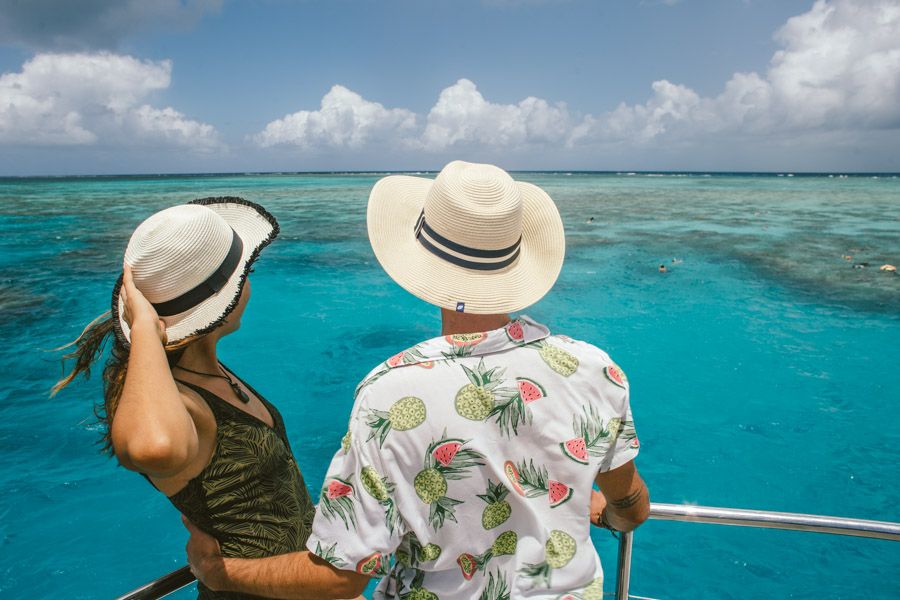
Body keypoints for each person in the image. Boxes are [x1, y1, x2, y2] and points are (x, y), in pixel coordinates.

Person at [184, 162, 650, 598]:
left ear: (425, 257)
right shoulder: (594, 369)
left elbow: (342, 577)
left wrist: (221, 572)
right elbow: (631, 505)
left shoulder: (389, 393)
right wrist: (597, 508)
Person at [54, 198, 325, 600]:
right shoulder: (181, 400)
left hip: (300, 583)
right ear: (222, 300)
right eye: (244, 273)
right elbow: (153, 447)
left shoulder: (208, 374)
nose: (250, 282)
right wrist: (147, 327)